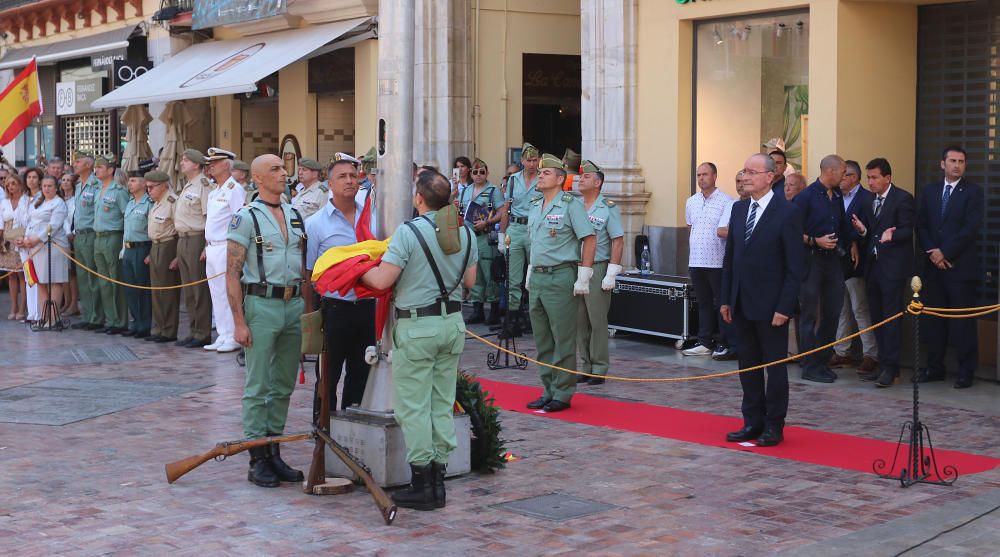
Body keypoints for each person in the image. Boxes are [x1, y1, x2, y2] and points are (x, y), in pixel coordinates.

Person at [360, 170, 478, 511]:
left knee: (413, 408)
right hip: (452, 324)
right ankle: (438, 481)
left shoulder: (408, 232)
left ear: (419, 198)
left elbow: (383, 280)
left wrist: (357, 268)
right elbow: (470, 279)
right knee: (441, 403)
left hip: (418, 326)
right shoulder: (464, 232)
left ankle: (422, 483)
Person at [227, 154, 308, 488]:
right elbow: (231, 273)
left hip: (293, 305)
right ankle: (257, 456)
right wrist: (239, 321)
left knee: (284, 383)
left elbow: (304, 267)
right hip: (261, 304)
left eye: (283, 168)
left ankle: (274, 449)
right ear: (257, 178)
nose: (283, 173)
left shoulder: (295, 213)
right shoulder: (246, 217)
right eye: (274, 169)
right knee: (258, 384)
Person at [720, 153, 806, 448]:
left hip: (772, 308)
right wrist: (726, 298)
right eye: (744, 171)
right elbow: (731, 258)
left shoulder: (787, 212)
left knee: (774, 367)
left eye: (751, 172)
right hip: (741, 303)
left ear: (770, 177)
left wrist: (784, 306)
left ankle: (774, 425)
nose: (745, 177)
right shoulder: (739, 209)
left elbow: (795, 267)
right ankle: (751, 420)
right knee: (748, 365)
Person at [524, 153, 596, 413]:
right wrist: (531, 271)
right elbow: (535, 242)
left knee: (562, 337)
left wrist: (584, 274)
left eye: (546, 173)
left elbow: (588, 238)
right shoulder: (535, 204)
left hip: (560, 275)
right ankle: (548, 389)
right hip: (539, 276)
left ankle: (563, 392)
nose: (540, 176)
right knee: (542, 339)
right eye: (540, 173)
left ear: (559, 178)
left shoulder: (570, 204)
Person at [304, 153, 376, 412]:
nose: (349, 181)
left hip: (367, 306)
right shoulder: (315, 225)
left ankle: (351, 428)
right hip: (334, 308)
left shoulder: (373, 218)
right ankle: (323, 432)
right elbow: (309, 273)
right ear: (329, 184)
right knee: (328, 375)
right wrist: (311, 317)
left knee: (362, 373)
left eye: (353, 176)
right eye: (342, 177)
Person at [916, 146, 984, 389]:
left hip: (960, 268)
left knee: (962, 322)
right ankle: (935, 368)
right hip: (934, 268)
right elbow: (921, 224)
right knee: (934, 321)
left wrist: (946, 252)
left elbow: (970, 229)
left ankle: (966, 371)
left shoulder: (973, 192)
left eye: (962, 161)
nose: (957, 165)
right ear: (942, 164)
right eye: (953, 161)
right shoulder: (930, 191)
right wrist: (933, 253)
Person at [849, 158, 915, 388]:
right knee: (876, 318)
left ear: (888, 178)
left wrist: (893, 235)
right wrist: (863, 230)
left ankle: (891, 367)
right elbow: (870, 233)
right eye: (868, 178)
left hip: (893, 269)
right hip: (873, 267)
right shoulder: (870, 201)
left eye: (875, 177)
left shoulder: (903, 198)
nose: (871, 182)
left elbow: (908, 230)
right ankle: (882, 364)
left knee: (891, 319)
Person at [792, 154, 855, 383]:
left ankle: (822, 361)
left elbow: (841, 225)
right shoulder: (805, 198)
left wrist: (853, 242)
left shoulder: (837, 195)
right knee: (809, 315)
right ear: (830, 171)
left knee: (832, 313)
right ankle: (809, 365)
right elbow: (792, 231)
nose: (845, 176)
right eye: (843, 171)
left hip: (833, 262)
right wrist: (814, 240)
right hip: (811, 261)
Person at [576, 160, 624, 385]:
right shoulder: (574, 205)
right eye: (581, 176)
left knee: (597, 321)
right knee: (579, 322)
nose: (581, 179)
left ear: (598, 182)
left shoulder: (608, 207)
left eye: (586, 177)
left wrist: (611, 273)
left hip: (597, 267)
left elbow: (617, 241)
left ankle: (599, 367)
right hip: (575, 268)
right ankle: (585, 365)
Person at [682, 162, 735, 359]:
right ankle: (704, 341)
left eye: (705, 174)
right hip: (696, 260)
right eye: (698, 175)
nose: (701, 178)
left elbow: (725, 231)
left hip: (717, 261)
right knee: (703, 302)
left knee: (721, 303)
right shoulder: (691, 201)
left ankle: (724, 342)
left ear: (714, 176)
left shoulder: (727, 201)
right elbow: (690, 227)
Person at [830, 160, 878, 374]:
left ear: (856, 177)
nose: (842, 178)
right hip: (838, 261)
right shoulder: (836, 197)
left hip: (858, 263)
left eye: (846, 174)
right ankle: (842, 351)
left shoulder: (867, 198)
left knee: (860, 307)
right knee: (842, 308)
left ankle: (870, 354)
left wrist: (855, 242)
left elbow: (870, 230)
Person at [203, 147, 245, 353]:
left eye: (215, 162)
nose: (211, 165)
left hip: (225, 247)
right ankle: (223, 333)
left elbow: (239, 220)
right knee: (216, 292)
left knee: (229, 292)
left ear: (227, 165)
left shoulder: (234, 189)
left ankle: (233, 335)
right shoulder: (215, 192)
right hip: (212, 247)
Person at [499, 143, 540, 337]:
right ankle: (512, 321)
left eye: (534, 160)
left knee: (535, 277)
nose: (532, 164)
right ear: (522, 161)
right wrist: (502, 234)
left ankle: (535, 319)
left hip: (534, 230)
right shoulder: (513, 180)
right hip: (515, 228)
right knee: (512, 277)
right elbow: (506, 208)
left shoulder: (543, 179)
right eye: (528, 160)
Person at [457, 158, 504, 325]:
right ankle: (477, 309)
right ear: (471, 173)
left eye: (482, 172)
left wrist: (488, 222)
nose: (478, 175)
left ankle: (494, 310)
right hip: (469, 237)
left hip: (485, 237)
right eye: (475, 172)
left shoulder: (493, 191)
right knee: (473, 273)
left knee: (489, 272)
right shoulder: (464, 191)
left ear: (487, 173)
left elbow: (502, 212)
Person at [174, 149, 213, 348]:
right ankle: (193, 329)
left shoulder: (203, 185)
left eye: (186, 160)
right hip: (183, 239)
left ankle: (203, 332)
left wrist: (207, 246)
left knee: (199, 289)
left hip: (197, 238)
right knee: (188, 289)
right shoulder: (187, 185)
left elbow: (208, 218)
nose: (182, 163)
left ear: (197, 165)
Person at [21, 175, 69, 328]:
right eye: (44, 186)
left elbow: (54, 226)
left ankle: (53, 318)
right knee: (41, 282)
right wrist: (26, 238)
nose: (46, 189)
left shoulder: (59, 203)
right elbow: (31, 222)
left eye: (50, 186)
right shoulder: (39, 202)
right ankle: (43, 317)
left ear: (56, 188)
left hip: (52, 246)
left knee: (53, 281)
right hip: (36, 247)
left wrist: (36, 239)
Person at [92, 154, 130, 334]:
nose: (96, 170)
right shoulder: (98, 188)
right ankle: (110, 319)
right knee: (104, 281)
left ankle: (121, 321)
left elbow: (127, 215)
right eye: (96, 167)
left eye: (100, 167)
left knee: (116, 280)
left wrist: (125, 241)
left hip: (113, 237)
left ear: (110, 170)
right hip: (98, 237)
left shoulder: (119, 191)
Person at [144, 171, 181, 343]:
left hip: (168, 246)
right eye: (147, 187)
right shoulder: (157, 203)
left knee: (167, 291)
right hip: (156, 246)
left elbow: (180, 230)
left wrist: (177, 256)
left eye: (152, 187)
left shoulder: (172, 201)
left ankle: (168, 330)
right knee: (156, 291)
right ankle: (159, 327)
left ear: (163, 185)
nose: (149, 190)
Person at [69, 153, 104, 330]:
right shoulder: (78, 186)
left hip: (91, 234)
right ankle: (88, 315)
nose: (74, 164)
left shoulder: (96, 184)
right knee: (82, 277)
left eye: (78, 161)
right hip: (79, 235)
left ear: (89, 165)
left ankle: (98, 317)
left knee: (93, 276)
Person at [120, 162, 154, 338]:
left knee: (143, 289)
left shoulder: (149, 203)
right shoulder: (130, 203)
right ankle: (136, 321)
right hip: (128, 249)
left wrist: (151, 253)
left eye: (133, 180)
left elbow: (154, 230)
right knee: (130, 289)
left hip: (142, 249)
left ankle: (145, 324)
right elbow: (127, 229)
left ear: (143, 183)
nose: (130, 184)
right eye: (129, 181)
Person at [0, 175, 29, 320]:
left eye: (13, 183)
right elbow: (0, 221)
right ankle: (13, 306)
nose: (11, 186)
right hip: (7, 239)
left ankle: (23, 307)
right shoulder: (4, 202)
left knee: (22, 274)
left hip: (22, 237)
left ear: (20, 184)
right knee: (10, 274)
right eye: (8, 184)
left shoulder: (26, 200)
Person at [59, 173, 79, 316]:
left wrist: (73, 232)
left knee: (72, 273)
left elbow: (77, 217)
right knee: (64, 272)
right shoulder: (59, 200)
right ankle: (66, 303)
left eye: (68, 180)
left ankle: (74, 304)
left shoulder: (76, 200)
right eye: (63, 180)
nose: (65, 182)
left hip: (71, 237)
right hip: (60, 239)